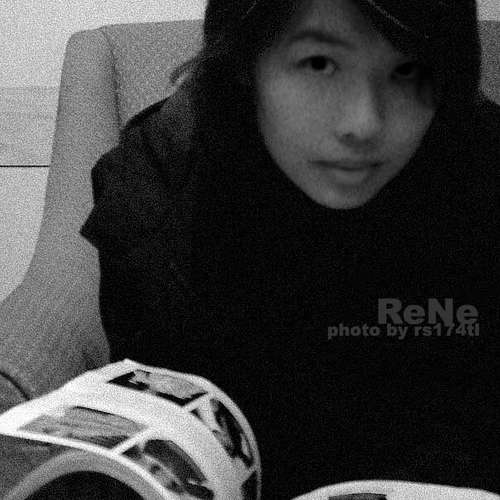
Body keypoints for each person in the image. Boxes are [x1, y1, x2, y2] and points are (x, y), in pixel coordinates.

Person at [81, 0, 499, 498]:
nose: (364, 123)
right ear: (246, 62)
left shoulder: (479, 169)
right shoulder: (163, 186)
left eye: (408, 70)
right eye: (319, 64)